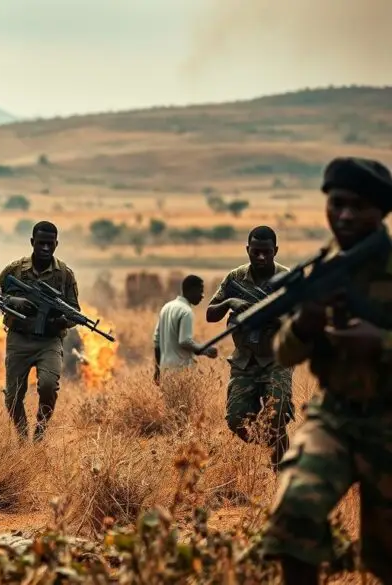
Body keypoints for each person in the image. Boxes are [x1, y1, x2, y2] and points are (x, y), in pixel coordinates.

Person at [260, 157, 392, 583]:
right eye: (337, 204)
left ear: (382, 212)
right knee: (294, 511)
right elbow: (284, 354)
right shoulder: (319, 272)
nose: (346, 215)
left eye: (359, 206)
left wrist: (381, 342)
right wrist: (303, 324)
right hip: (334, 417)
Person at [205, 226, 293, 468]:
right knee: (236, 420)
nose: (261, 258)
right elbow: (210, 314)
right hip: (245, 360)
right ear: (247, 250)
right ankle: (278, 448)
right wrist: (230, 302)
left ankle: (281, 466)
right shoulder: (235, 279)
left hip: (277, 359)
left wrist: (275, 318)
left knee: (277, 414)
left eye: (266, 252)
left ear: (275, 250)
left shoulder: (287, 279)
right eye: (255, 252)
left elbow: (303, 319)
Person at [0, 221, 80, 441]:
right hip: (19, 339)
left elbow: (75, 311)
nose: (45, 248)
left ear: (56, 244)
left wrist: (63, 321)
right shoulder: (14, 270)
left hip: (49, 342)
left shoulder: (64, 274)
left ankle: (40, 432)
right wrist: (13, 301)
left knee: (47, 386)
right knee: (13, 396)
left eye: (50, 244)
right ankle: (23, 438)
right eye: (41, 243)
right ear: (32, 242)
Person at [152, 274, 218, 384]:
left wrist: (158, 368)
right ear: (191, 290)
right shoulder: (186, 312)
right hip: (181, 373)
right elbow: (184, 341)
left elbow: (156, 341)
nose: (202, 296)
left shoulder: (166, 307)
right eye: (200, 291)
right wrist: (205, 350)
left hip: (165, 371)